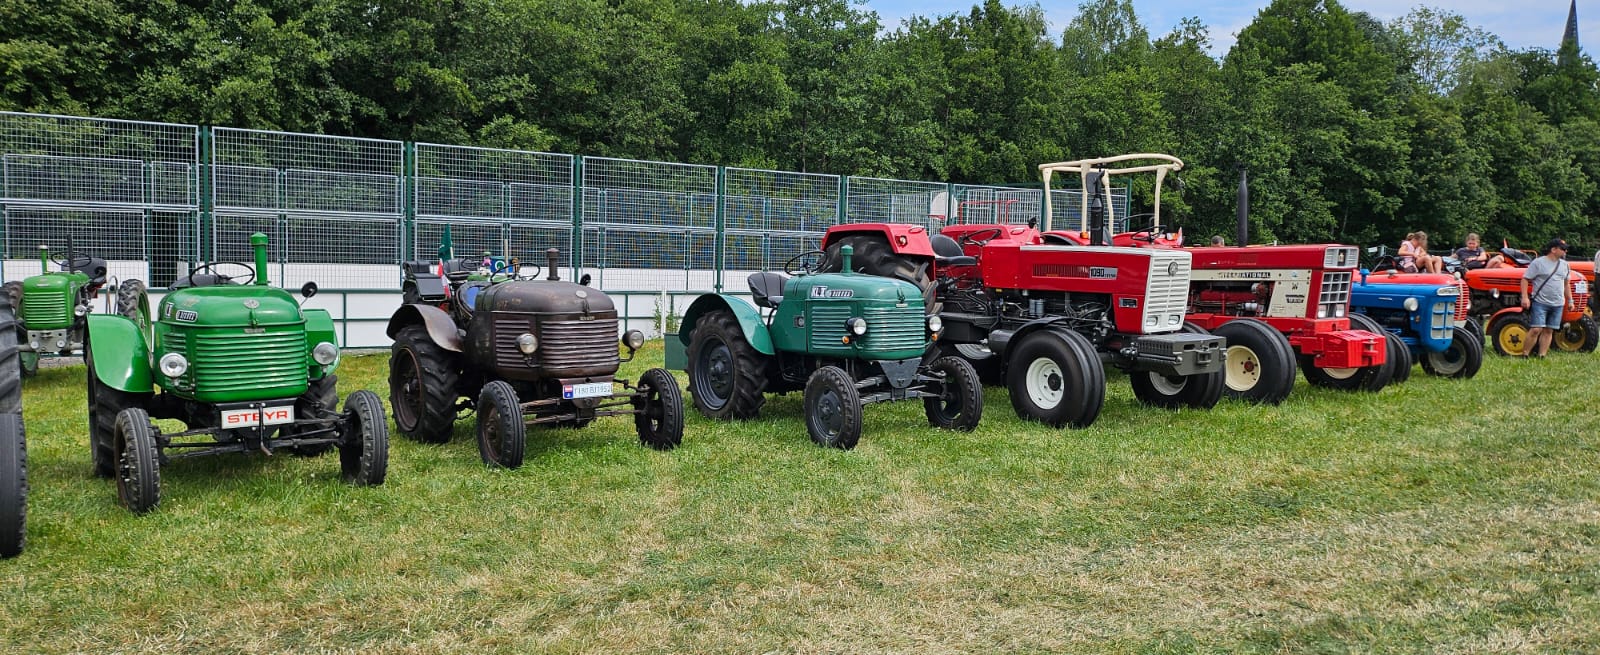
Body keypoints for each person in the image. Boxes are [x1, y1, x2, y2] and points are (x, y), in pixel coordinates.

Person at [1520, 238, 1576, 357]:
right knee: (1536, 329)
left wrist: (1570, 301)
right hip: (1540, 302)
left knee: (1549, 330)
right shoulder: (1538, 263)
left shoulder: (1565, 265)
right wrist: (1525, 297)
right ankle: (1525, 354)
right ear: (1553, 249)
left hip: (1558, 303)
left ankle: (1542, 355)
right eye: (1563, 249)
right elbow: (1525, 279)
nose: (1565, 251)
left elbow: (1566, 284)